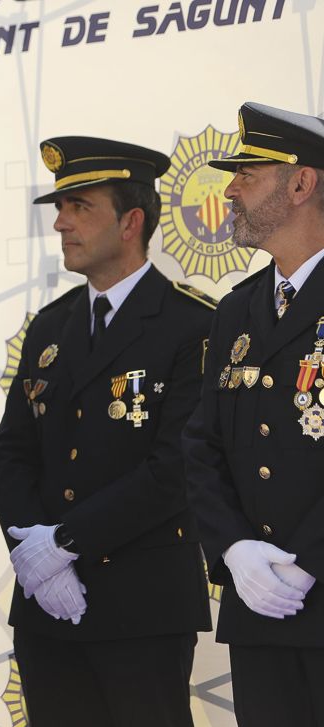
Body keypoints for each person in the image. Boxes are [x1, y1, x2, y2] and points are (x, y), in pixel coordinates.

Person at [0, 136, 214, 727]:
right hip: (47, 604)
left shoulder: (192, 325)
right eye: (60, 209)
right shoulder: (51, 326)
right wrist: (35, 556)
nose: (60, 223)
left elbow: (175, 470)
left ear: (132, 220)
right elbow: (10, 452)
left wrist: (64, 543)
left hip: (142, 604)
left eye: (80, 206)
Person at [183, 101, 324, 726]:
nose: (230, 190)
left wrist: (308, 563)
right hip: (259, 606)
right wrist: (236, 548)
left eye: (248, 173)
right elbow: (202, 445)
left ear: (301, 183)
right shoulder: (236, 310)